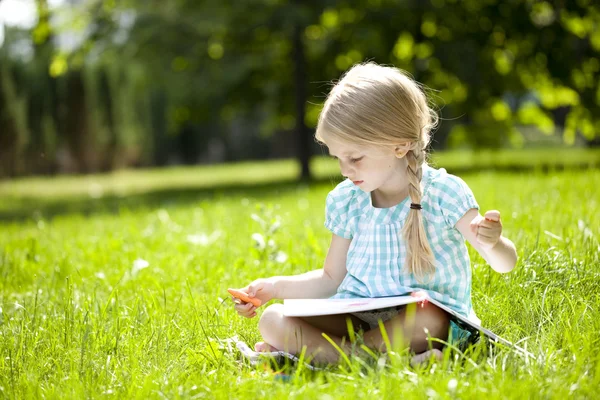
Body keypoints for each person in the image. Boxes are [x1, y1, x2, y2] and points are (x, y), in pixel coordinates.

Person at [232, 62, 518, 366]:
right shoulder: (348, 200)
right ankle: (377, 361)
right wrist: (274, 288)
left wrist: (492, 243)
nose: (345, 170)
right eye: (338, 158)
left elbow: (505, 264)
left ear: (400, 144)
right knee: (273, 320)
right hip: (360, 320)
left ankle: (329, 359)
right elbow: (330, 279)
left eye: (354, 157)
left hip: (423, 322)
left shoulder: (444, 193)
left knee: (426, 317)